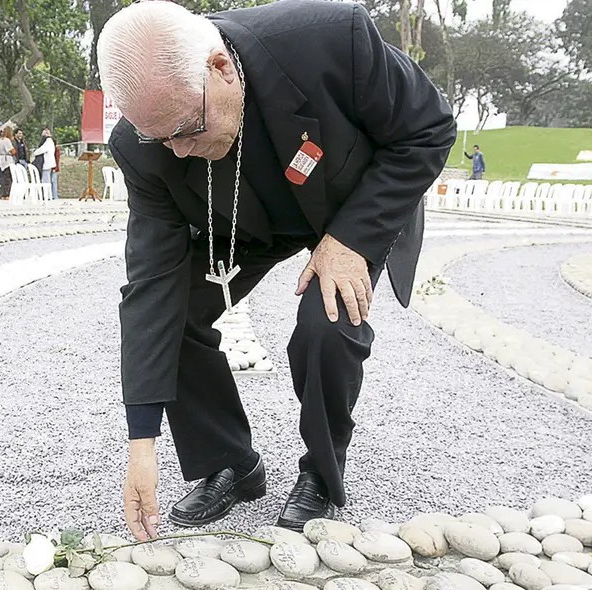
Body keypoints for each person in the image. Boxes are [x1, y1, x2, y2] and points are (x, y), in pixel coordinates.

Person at [97, 0, 456, 540]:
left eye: (187, 129)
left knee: (326, 324)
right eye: (161, 137)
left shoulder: (332, 38)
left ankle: (320, 472)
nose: (180, 151)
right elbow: (150, 287)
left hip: (345, 203)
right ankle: (229, 463)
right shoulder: (143, 146)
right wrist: (141, 443)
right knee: (177, 316)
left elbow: (427, 128)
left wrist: (350, 240)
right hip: (245, 222)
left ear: (221, 68)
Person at [0, 125, 16, 200]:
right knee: (8, 178)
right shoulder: (7, 140)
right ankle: (7, 194)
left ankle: (3, 194)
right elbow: (12, 151)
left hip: (2, 159)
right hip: (7, 159)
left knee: (3, 177)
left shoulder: (0, 140)